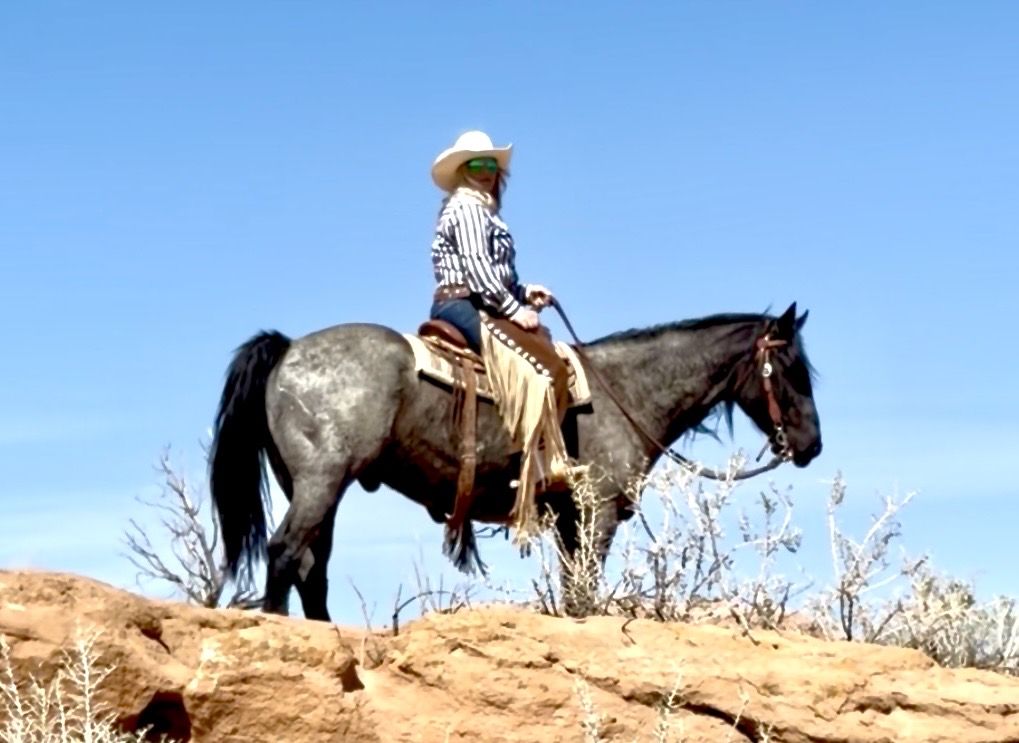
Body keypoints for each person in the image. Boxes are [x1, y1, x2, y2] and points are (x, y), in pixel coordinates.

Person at [428, 130, 585, 534]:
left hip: (483, 300)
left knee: (544, 350)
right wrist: (515, 309)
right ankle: (538, 463)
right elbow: (478, 271)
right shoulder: (465, 209)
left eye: (492, 166)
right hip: (462, 303)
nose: (486, 172)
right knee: (542, 365)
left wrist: (524, 291)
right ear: (463, 171)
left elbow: (495, 275)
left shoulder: (486, 212)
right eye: (477, 165)